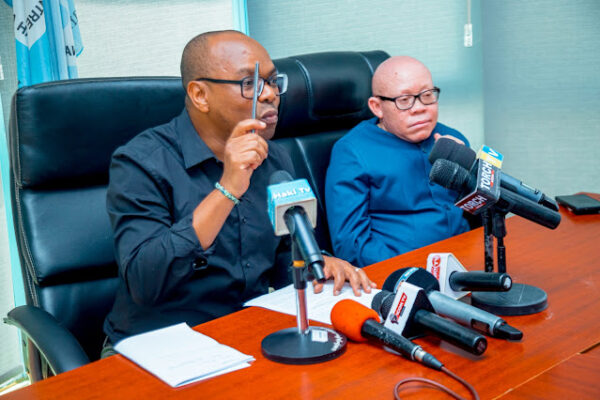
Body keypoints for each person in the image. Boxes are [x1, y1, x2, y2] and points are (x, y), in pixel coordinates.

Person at [102, 30, 375, 353]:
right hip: (157, 346)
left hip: (246, 331)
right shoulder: (141, 162)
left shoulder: (274, 157)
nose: (270, 94)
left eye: (273, 81)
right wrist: (228, 188)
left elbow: (282, 255)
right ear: (200, 95)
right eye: (251, 83)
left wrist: (320, 263)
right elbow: (145, 283)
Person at [325, 56, 471, 268]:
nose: (419, 108)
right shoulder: (351, 152)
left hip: (465, 258)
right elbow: (351, 245)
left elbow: (482, 210)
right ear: (377, 107)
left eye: (427, 95)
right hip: (402, 271)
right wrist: (408, 271)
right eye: (404, 100)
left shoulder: (451, 139)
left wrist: (470, 167)